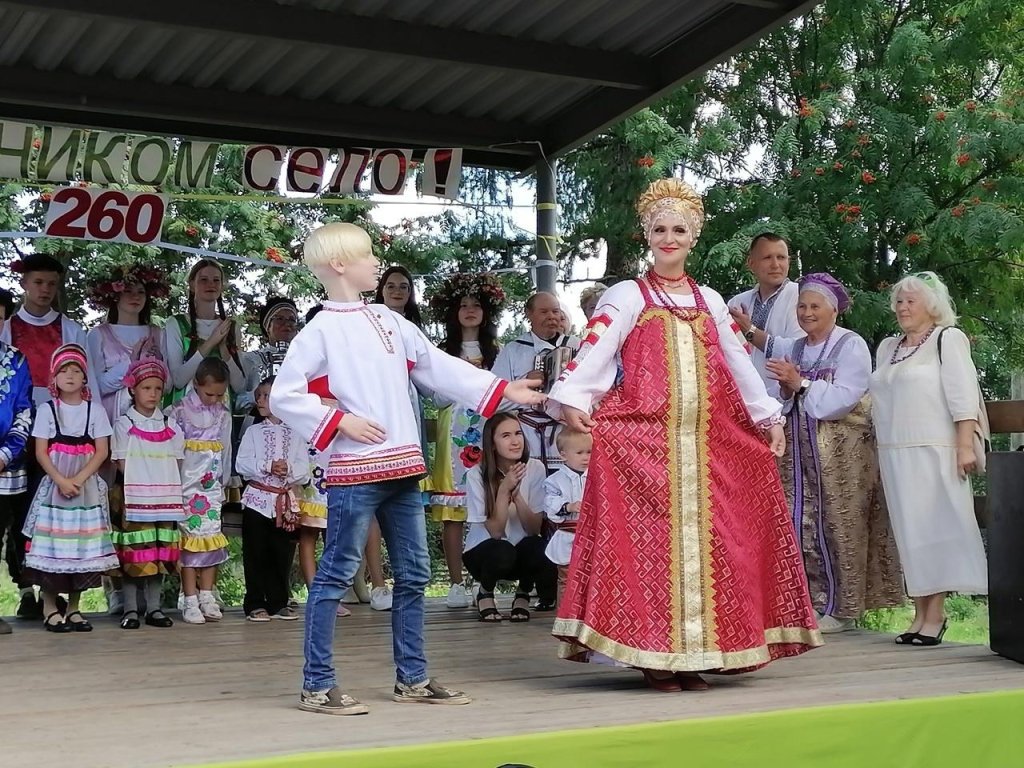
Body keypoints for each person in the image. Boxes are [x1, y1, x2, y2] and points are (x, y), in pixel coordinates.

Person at [548, 178, 821, 692]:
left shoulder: (711, 300)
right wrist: (573, 398)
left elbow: (737, 360)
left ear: (693, 237)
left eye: (678, 229)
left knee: (710, 548)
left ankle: (697, 655)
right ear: (646, 236)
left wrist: (767, 416)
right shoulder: (628, 294)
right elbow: (595, 348)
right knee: (651, 552)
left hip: (708, 444)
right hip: (646, 446)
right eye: (659, 229)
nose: (668, 238)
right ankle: (655, 657)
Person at [270, 221, 545, 715]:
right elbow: (283, 395)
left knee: (416, 573)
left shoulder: (391, 321)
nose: (377, 263)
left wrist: (504, 391)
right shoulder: (320, 330)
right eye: (367, 255)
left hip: (403, 468)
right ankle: (316, 683)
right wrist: (340, 420)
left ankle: (413, 677)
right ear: (338, 265)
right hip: (356, 471)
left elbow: (438, 366)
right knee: (335, 574)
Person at [765, 273, 903, 634]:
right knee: (799, 522)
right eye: (802, 306)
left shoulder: (850, 345)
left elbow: (845, 399)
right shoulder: (794, 347)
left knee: (840, 523)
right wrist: (786, 388)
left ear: (833, 310)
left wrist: (801, 383)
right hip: (799, 454)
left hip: (841, 457)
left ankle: (842, 607)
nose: (807, 313)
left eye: (814, 306)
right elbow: (786, 399)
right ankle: (806, 602)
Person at [870, 271, 988, 646]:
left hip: (934, 447)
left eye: (911, 301)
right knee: (910, 535)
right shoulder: (889, 346)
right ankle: (919, 613)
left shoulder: (946, 339)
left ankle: (935, 615)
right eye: (899, 302)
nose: (903, 307)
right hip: (894, 451)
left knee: (934, 530)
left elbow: (962, 393)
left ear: (931, 306)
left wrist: (965, 445)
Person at [1, 254, 93, 619]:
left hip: (61, 432)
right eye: (38, 282)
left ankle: (50, 593)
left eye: (52, 284)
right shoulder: (8, 328)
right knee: (19, 510)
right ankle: (24, 586)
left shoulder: (70, 329)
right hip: (18, 430)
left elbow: (89, 383)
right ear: (24, 283)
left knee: (50, 510)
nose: (45, 290)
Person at [85, 262, 169, 616]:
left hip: (151, 437)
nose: (135, 297)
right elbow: (97, 382)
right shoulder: (97, 334)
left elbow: (164, 381)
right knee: (114, 510)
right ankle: (115, 587)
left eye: (141, 291)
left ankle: (152, 592)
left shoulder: (157, 332)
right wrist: (131, 367)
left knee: (149, 511)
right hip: (113, 426)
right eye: (128, 290)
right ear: (114, 293)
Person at [23, 344, 118, 632]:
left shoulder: (96, 411)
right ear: (53, 378)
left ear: (84, 378)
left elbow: (101, 451)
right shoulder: (47, 410)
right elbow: (41, 451)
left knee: (82, 545)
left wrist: (78, 479)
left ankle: (74, 607)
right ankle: (50, 606)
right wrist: (62, 480)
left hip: (85, 488)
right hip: (55, 487)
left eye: (76, 370)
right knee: (53, 545)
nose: (70, 375)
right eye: (64, 370)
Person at [426, 272, 505, 609]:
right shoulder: (441, 352)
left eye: (476, 305)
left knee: (485, 502)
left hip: (486, 428)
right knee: (453, 510)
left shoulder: (498, 352)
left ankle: (481, 580)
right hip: (454, 430)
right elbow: (433, 394)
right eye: (463, 305)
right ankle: (456, 582)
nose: (470, 311)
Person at [364, 265, 428, 612]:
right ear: (381, 290)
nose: (398, 291)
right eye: (391, 285)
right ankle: (377, 582)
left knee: (406, 502)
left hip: (408, 417)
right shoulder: (367, 323)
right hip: (375, 418)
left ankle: (408, 583)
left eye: (405, 286)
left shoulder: (416, 330)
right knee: (372, 501)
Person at [110, 359, 183, 630]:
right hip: (133, 497)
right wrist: (140, 486)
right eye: (146, 388)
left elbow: (177, 460)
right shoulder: (124, 424)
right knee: (134, 553)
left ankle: (154, 608)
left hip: (164, 499)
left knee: (158, 553)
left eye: (157, 388)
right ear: (133, 390)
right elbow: (120, 461)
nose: (152, 393)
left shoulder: (170, 424)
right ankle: (130, 609)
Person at [462, 414, 555, 624]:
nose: (515, 441)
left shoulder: (535, 468)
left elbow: (533, 529)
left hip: (520, 551)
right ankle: (485, 593)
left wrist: (518, 496)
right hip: (485, 553)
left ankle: (523, 593)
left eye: (518, 433)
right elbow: (496, 531)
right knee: (502, 550)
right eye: (505, 436)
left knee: (540, 547)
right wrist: (503, 490)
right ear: (492, 444)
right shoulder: (476, 474)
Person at [236, 377, 310, 623]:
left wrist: (287, 468)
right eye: (259, 396)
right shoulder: (253, 431)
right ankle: (255, 602)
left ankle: (279, 601)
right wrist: (267, 465)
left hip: (284, 502)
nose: (260, 400)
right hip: (257, 500)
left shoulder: (296, 433)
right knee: (256, 551)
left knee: (282, 551)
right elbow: (241, 464)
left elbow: (304, 469)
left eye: (266, 396)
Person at [167, 358, 233, 625]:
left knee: (211, 539)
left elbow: (226, 449)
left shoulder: (223, 414)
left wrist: (225, 482)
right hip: (185, 489)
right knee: (189, 543)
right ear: (196, 385)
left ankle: (207, 594)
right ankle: (190, 597)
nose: (214, 399)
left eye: (219, 394)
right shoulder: (178, 412)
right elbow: (172, 453)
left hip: (211, 489)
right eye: (209, 393)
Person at [491, 291, 580, 472]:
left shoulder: (577, 346)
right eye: (544, 312)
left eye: (555, 312)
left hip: (569, 438)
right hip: (528, 437)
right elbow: (495, 400)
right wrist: (524, 385)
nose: (551, 317)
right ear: (529, 314)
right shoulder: (513, 350)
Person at [728, 233, 804, 400]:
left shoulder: (801, 297)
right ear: (751, 263)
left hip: (785, 403)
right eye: (767, 258)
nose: (775, 264)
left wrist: (750, 332)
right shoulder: (737, 303)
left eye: (781, 257)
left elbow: (798, 350)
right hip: (743, 402)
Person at [163, 259, 246, 405]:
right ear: (192, 284)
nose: (211, 284)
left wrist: (223, 349)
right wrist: (211, 342)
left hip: (220, 417)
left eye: (216, 280)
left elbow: (239, 387)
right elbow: (178, 380)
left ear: (222, 286)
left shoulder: (231, 327)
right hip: (182, 415)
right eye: (203, 280)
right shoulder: (176, 324)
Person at [0, 289, 32, 635]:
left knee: (7, 531)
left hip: (7, 466)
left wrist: (6, 453)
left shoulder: (17, 360)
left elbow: (23, 411)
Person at [543, 428, 591, 606]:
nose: (586, 457)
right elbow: (549, 502)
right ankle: (565, 617)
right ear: (563, 455)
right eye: (579, 453)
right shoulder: (555, 480)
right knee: (565, 578)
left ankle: (587, 618)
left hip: (591, 536)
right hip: (567, 535)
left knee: (590, 578)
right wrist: (568, 506)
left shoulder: (597, 477)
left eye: (589, 452)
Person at [238, 296, 299, 414]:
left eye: (292, 319)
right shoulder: (250, 359)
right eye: (280, 319)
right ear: (267, 327)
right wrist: (257, 396)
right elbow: (236, 401)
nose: (287, 324)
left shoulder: (306, 360)